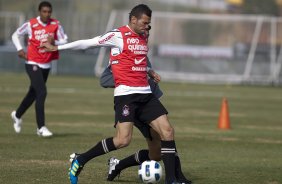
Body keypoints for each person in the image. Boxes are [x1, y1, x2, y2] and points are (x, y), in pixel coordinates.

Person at [42, 4, 190, 184]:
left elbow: (138, 59)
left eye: (149, 23)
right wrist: (56, 47)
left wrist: (149, 71)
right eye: (144, 23)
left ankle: (172, 180)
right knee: (122, 140)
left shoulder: (144, 35)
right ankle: (81, 159)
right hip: (126, 96)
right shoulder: (117, 36)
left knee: (167, 131)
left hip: (146, 94)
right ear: (133, 20)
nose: (147, 26)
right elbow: (87, 43)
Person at [97, 26, 191, 184]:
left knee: (156, 154)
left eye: (148, 32)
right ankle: (176, 178)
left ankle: (117, 166)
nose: (146, 35)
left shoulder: (142, 52)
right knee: (165, 134)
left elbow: (145, 77)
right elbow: (104, 79)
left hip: (149, 103)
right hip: (134, 106)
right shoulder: (124, 52)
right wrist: (129, 81)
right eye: (143, 32)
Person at [11, 1, 68, 137]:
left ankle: (17, 115)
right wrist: (19, 49)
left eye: (49, 12)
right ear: (39, 12)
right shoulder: (31, 24)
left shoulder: (55, 24)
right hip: (32, 62)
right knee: (41, 92)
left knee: (33, 93)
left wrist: (54, 42)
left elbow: (65, 40)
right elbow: (15, 35)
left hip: (46, 64)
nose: (46, 14)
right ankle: (41, 128)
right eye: (44, 11)